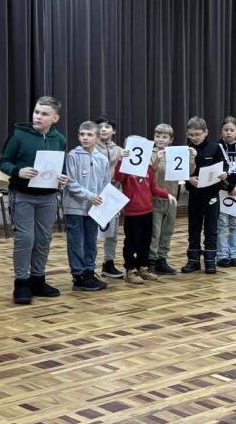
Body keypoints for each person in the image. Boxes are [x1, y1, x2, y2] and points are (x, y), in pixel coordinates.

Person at [0, 95, 69, 305]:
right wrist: (18, 171)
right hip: (22, 195)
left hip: (48, 197)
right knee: (25, 239)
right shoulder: (19, 135)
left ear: (55, 118)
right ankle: (21, 282)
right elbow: (3, 161)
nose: (38, 116)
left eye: (44, 114)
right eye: (36, 112)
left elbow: (60, 167)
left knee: (43, 239)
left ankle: (38, 280)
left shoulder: (60, 140)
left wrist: (63, 178)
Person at [63, 121, 110, 292]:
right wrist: (90, 196)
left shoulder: (102, 159)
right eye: (82, 134)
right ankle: (79, 275)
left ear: (97, 138)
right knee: (76, 242)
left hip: (93, 209)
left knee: (91, 241)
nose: (85, 137)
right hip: (74, 207)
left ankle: (89, 272)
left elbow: (106, 184)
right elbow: (70, 183)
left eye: (89, 135)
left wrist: (108, 205)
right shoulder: (72, 156)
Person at [113, 151, 172, 284]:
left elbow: (153, 188)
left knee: (145, 242)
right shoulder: (126, 168)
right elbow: (117, 177)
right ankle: (130, 269)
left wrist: (166, 194)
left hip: (147, 211)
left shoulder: (148, 169)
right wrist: (121, 159)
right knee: (132, 242)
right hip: (132, 213)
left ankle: (143, 267)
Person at [182, 116, 227, 274]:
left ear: (206, 132)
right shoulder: (186, 149)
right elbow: (180, 171)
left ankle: (210, 261)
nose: (194, 138)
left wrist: (224, 174)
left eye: (197, 134)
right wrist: (189, 179)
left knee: (211, 229)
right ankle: (193, 261)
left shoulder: (216, 147)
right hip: (194, 195)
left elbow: (225, 166)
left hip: (212, 195)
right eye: (191, 135)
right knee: (193, 228)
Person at [215, 116, 236, 267]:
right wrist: (229, 187)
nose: (228, 132)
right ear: (222, 131)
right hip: (222, 190)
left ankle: (235, 254)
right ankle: (222, 255)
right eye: (226, 130)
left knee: (235, 224)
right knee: (222, 224)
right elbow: (217, 171)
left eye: (232, 130)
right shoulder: (217, 148)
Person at [147, 123, 181, 275]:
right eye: (158, 136)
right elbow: (149, 172)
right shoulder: (150, 153)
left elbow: (188, 171)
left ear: (171, 140)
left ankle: (162, 259)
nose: (160, 139)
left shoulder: (175, 154)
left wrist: (192, 158)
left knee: (167, 230)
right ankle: (151, 260)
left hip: (172, 197)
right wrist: (157, 160)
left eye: (164, 137)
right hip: (155, 198)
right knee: (155, 231)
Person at [95, 116, 123, 279]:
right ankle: (89, 266)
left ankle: (108, 263)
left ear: (114, 131)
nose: (104, 129)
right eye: (100, 127)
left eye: (107, 127)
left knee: (112, 233)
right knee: (93, 233)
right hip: (96, 194)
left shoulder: (119, 150)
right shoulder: (91, 147)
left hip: (113, 194)